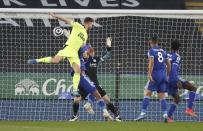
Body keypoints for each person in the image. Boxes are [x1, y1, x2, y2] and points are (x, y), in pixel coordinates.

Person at [27, 13, 94, 95]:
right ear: (89, 23)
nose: (92, 26)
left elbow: (81, 47)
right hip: (68, 48)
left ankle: (74, 90)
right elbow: (65, 19)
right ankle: (37, 60)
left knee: (78, 71)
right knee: (56, 60)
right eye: (92, 24)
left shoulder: (86, 35)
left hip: (74, 53)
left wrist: (85, 53)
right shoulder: (78, 26)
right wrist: (54, 15)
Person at [70, 38, 121, 122]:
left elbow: (108, 55)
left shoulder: (96, 60)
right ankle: (75, 116)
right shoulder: (82, 61)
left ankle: (117, 116)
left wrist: (109, 46)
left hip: (95, 84)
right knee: (76, 99)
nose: (91, 52)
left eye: (91, 51)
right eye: (88, 51)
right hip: (84, 84)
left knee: (107, 100)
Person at [135, 36, 171, 121]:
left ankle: (143, 113)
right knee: (162, 96)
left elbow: (151, 62)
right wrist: (167, 75)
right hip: (163, 75)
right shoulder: (163, 51)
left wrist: (149, 74)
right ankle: (165, 115)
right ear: (157, 42)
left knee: (147, 93)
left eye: (150, 42)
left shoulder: (151, 51)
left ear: (151, 42)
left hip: (155, 74)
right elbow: (169, 64)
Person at [166, 40, 197, 122]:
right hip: (173, 78)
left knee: (177, 98)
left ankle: (168, 117)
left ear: (171, 46)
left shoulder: (167, 55)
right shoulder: (177, 56)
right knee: (193, 88)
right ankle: (189, 109)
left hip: (166, 80)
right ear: (179, 48)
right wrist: (177, 81)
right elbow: (174, 70)